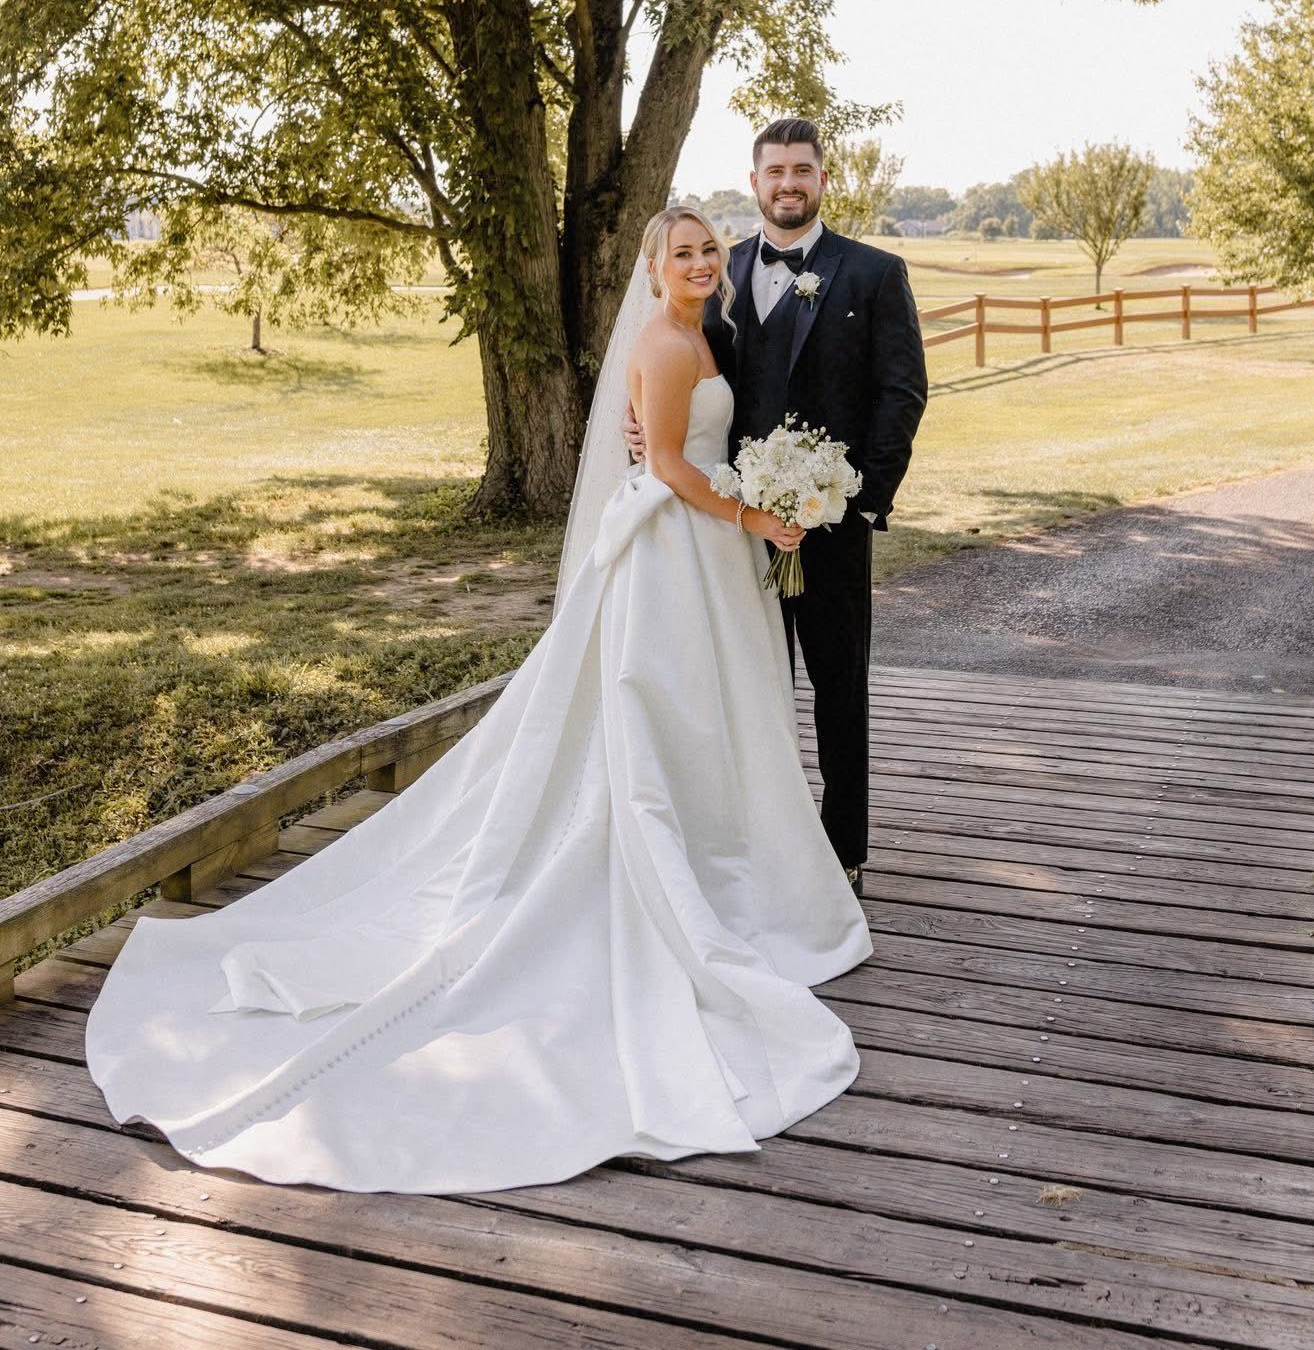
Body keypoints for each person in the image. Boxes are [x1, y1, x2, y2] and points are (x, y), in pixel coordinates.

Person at [83, 204, 872, 1194]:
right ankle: (667, 868)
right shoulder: (666, 347)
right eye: (684, 251)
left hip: (699, 549)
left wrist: (765, 491)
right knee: (655, 713)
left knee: (702, 719)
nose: (702, 262)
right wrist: (756, 508)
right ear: (651, 264)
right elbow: (668, 463)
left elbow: (684, 449)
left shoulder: (697, 333)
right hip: (675, 549)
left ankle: (718, 861)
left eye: (710, 248)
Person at [626, 119, 928, 895]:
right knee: (744, 688)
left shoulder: (873, 273)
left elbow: (902, 394)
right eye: (774, 172)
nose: (788, 183)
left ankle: (843, 856)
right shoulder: (714, 278)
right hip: (726, 529)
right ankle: (756, 842)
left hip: (829, 523)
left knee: (838, 689)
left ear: (823, 179)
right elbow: (686, 382)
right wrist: (645, 423)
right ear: (754, 183)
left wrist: (857, 502)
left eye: (802, 170)